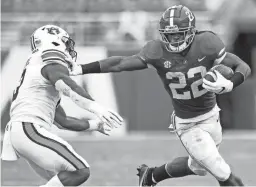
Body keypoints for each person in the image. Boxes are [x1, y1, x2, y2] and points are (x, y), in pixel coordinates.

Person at [68, 5, 251, 186]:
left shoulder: (207, 43)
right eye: (170, 35)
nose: (175, 39)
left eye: (179, 33)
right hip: (188, 125)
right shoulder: (157, 51)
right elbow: (120, 63)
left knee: (198, 167)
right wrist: (82, 68)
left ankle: (150, 176)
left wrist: (230, 84)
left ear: (191, 31)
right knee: (222, 171)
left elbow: (243, 67)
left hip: (212, 116)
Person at [1, 25, 123, 187]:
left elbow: (62, 120)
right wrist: (97, 108)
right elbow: (69, 88)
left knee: (62, 180)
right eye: (65, 42)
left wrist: (95, 125)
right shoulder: (49, 62)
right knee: (80, 171)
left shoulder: (37, 72)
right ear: (54, 42)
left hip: (22, 131)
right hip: (29, 128)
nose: (68, 48)